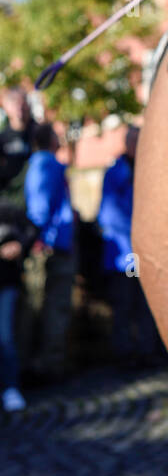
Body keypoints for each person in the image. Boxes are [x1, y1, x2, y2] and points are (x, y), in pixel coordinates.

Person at [98, 126, 160, 367]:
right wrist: (139, 232)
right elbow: (110, 214)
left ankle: (147, 350)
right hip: (126, 254)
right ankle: (125, 353)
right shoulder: (117, 171)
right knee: (125, 303)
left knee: (146, 303)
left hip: (144, 252)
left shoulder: (146, 168)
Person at [24, 122, 76, 381]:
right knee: (53, 308)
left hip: (52, 244)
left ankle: (44, 363)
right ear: (50, 140)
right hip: (51, 247)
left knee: (47, 307)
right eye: (57, 135)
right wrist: (38, 236)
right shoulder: (46, 164)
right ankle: (47, 366)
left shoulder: (42, 164)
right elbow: (40, 206)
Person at [0, 87, 38, 409]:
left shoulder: (10, 203)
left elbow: (26, 223)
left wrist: (20, 245)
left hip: (10, 272)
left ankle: (14, 384)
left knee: (9, 333)